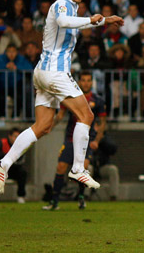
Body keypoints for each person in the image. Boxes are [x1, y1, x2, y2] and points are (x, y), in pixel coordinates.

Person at [0, 0, 123, 195]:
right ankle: (77, 168)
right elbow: (64, 21)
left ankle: (4, 163)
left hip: (42, 72)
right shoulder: (62, 4)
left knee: (42, 126)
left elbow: (77, 23)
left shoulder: (71, 7)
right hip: (55, 72)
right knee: (87, 115)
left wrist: (104, 20)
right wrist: (93, 20)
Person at [42, 71, 107, 211]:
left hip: (86, 141)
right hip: (70, 139)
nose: (86, 83)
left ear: (92, 82)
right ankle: (54, 201)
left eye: (88, 80)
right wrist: (49, 126)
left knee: (82, 168)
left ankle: (81, 198)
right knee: (60, 167)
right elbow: (60, 116)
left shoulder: (98, 100)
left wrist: (97, 140)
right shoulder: (71, 97)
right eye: (83, 80)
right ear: (79, 82)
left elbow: (102, 123)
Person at [0, 128, 28, 203]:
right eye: (14, 136)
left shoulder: (20, 146)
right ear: (9, 136)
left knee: (23, 172)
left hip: (14, 169)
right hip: (3, 169)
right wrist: (7, 157)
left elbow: (20, 160)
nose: (16, 139)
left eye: (18, 137)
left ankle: (20, 196)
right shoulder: (2, 143)